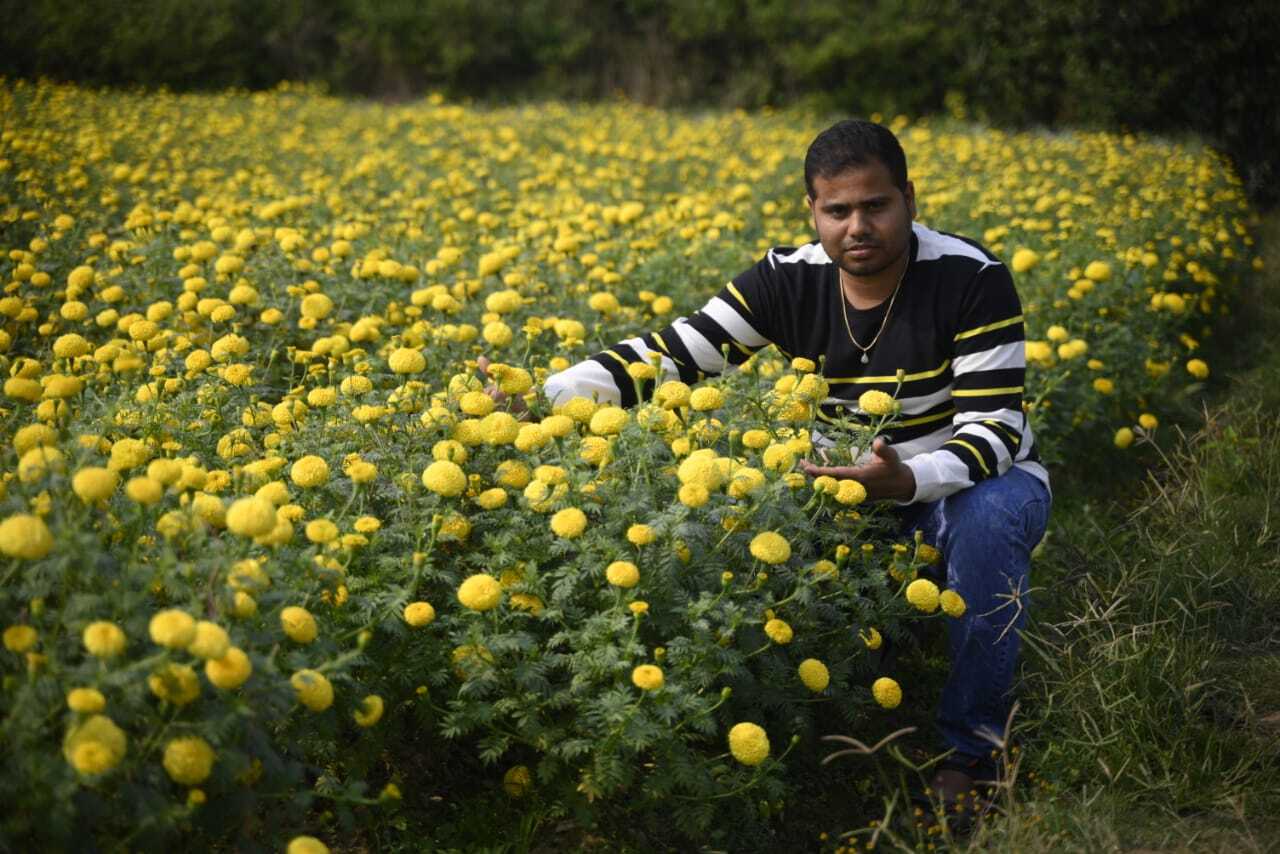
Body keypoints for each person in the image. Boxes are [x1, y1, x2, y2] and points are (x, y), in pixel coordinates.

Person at [530, 119, 1051, 811]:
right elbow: (673, 354)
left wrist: (908, 481)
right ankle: (830, 750)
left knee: (982, 525)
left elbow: (994, 430)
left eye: (876, 205)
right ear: (813, 212)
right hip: (848, 486)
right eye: (837, 211)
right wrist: (545, 397)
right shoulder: (787, 279)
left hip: (981, 479)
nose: (856, 226)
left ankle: (976, 754)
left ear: (910, 200)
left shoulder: (970, 278)